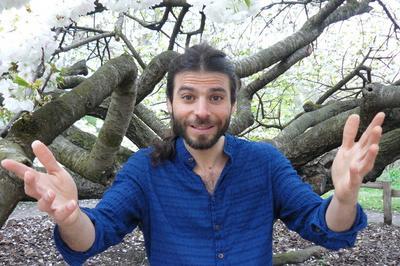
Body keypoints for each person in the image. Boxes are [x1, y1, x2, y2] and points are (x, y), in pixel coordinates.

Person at [1, 44, 385, 266]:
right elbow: (92, 235)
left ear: (233, 104)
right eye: (188, 97)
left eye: (215, 97)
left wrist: (346, 195)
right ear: (170, 103)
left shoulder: (265, 164)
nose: (201, 110)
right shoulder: (144, 170)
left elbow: (324, 226)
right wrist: (70, 217)